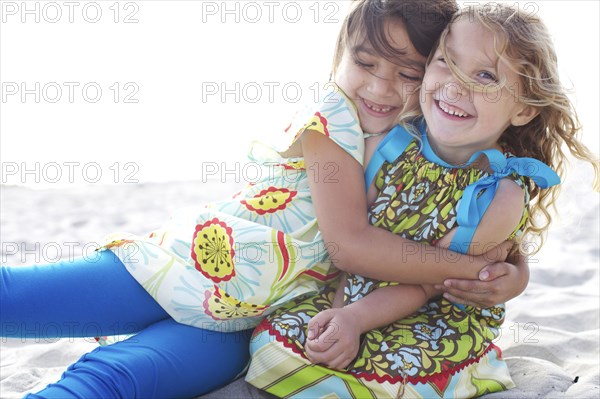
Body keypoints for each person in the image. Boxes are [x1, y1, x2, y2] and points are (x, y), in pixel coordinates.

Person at [0, 1, 532, 397]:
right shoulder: (333, 121)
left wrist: (510, 269)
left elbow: (480, 230)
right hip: (185, 269)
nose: (380, 87)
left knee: (116, 379)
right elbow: (349, 245)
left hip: (251, 320)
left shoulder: (427, 150)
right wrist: (462, 268)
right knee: (15, 300)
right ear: (340, 59)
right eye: (365, 63)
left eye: (407, 72)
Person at [246, 3, 600, 398]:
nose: (455, 86)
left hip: (428, 312)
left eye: (484, 75)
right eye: (446, 62)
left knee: (399, 381)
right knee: (275, 345)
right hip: (357, 293)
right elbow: (355, 247)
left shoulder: (497, 195)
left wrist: (354, 319)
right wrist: (339, 312)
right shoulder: (389, 144)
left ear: (523, 109)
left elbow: (431, 285)